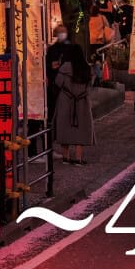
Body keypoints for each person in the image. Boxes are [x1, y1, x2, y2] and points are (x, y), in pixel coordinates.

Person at [51, 26, 93, 165]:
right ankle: (79, 158)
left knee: (65, 128)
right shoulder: (86, 69)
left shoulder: (65, 67)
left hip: (65, 100)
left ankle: (65, 157)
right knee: (80, 129)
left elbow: (58, 82)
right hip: (81, 101)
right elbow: (89, 87)